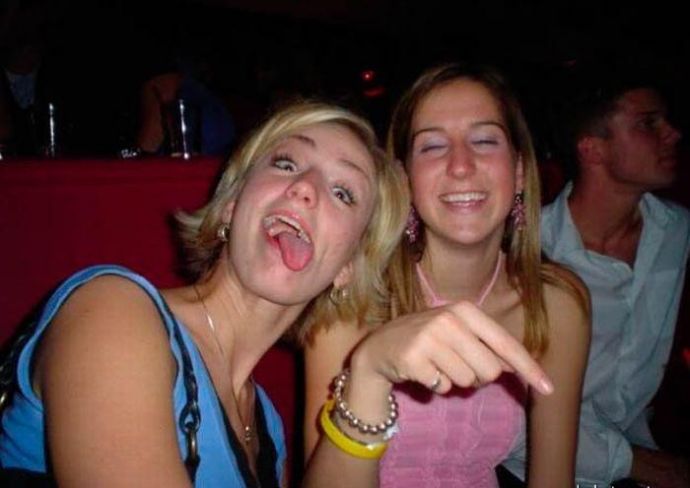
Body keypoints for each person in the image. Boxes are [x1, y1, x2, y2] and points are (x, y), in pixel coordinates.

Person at [0, 100, 410, 486]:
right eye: (286, 164)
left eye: (343, 192)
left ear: (347, 267)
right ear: (232, 203)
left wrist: (369, 377)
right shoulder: (112, 314)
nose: (305, 187)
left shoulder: (266, 425)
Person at [302, 63, 591, 487]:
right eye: (433, 146)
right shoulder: (352, 294)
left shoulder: (557, 304)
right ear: (404, 180)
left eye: (484, 140)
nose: (460, 165)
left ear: (519, 171)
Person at [503, 74, 690, 487]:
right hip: (538, 468)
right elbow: (507, 415)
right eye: (648, 123)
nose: (673, 133)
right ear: (592, 148)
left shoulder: (677, 231)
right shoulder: (528, 253)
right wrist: (642, 464)